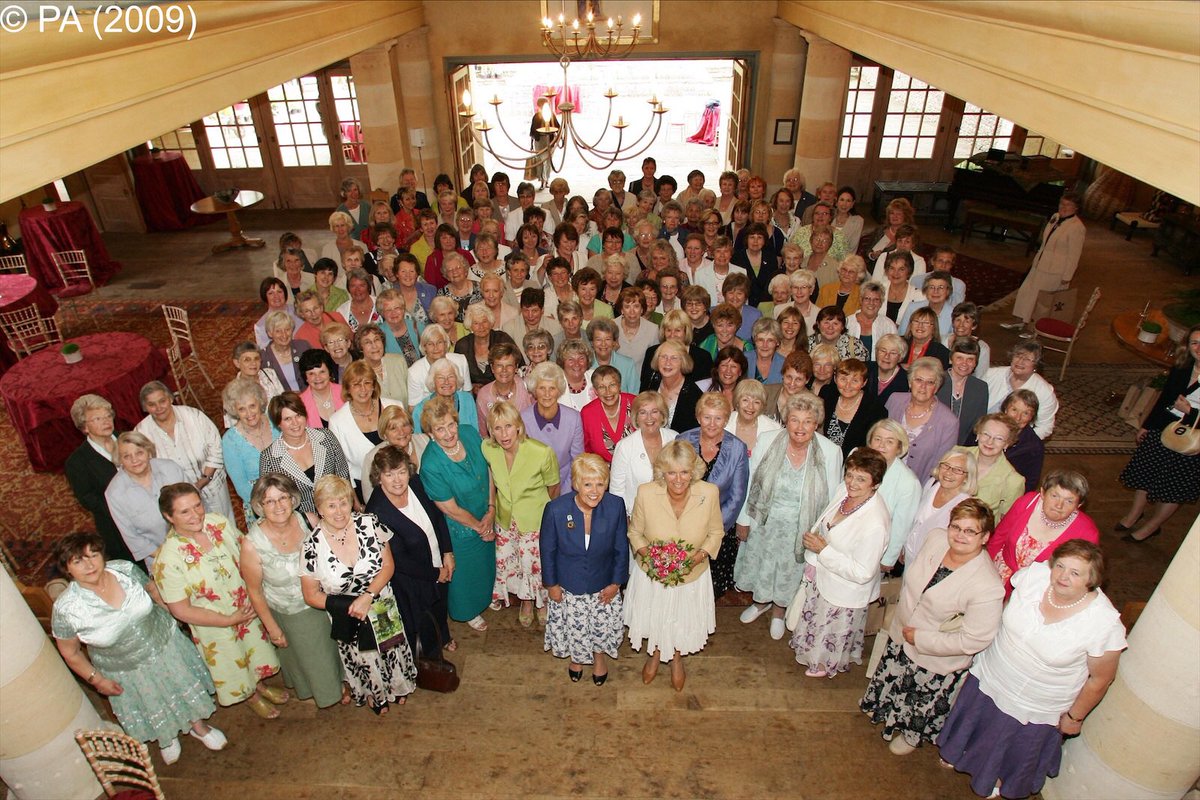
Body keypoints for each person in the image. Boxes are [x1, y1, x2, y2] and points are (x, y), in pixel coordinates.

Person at [937, 541, 1126, 800]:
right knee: (975, 724)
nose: (1062, 576)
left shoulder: (1103, 624)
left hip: (1035, 704)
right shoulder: (1034, 577)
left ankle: (997, 777)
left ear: (1092, 581)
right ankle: (960, 752)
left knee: (1009, 746)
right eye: (1060, 566)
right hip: (993, 674)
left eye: (1075, 573)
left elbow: (1101, 679)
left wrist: (1075, 717)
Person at [51, 532, 223, 765]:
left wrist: (175, 614)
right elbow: (70, 652)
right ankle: (167, 736)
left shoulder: (124, 570)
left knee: (180, 685)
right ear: (67, 568)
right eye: (78, 560)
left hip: (164, 643)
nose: (89, 564)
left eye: (94, 555)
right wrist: (96, 679)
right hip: (125, 668)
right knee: (152, 702)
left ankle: (198, 726)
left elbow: (152, 590)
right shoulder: (66, 609)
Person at [860, 499, 1004, 755]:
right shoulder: (936, 539)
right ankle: (883, 709)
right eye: (956, 527)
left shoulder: (987, 585)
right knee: (894, 680)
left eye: (970, 531)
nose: (960, 535)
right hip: (902, 635)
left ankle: (909, 734)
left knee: (916, 700)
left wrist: (921, 638)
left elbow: (975, 640)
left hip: (934, 658)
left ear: (985, 537)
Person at [154, 483, 283, 719]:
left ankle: (260, 685)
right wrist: (228, 620)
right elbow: (181, 610)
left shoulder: (217, 522)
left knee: (254, 652)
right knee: (232, 661)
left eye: (197, 505)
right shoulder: (167, 559)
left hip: (246, 608)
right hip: (214, 624)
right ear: (168, 516)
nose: (196, 515)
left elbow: (245, 550)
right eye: (185, 512)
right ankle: (251, 696)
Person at [300, 474, 417, 714]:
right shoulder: (311, 546)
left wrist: (367, 596)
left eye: (343, 503)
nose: (339, 511)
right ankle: (375, 694)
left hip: (380, 603)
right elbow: (311, 595)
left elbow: (388, 566)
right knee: (364, 658)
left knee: (390, 649)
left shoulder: (369, 523)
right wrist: (350, 606)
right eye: (331, 505)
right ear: (319, 509)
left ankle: (397, 686)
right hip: (347, 614)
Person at [736, 393, 844, 639]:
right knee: (761, 565)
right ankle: (761, 603)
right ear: (786, 420)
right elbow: (750, 483)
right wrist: (743, 520)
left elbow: (831, 501)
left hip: (802, 528)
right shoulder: (767, 440)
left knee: (789, 571)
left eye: (807, 421)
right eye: (795, 420)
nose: (800, 427)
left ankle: (779, 611)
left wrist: (823, 535)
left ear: (816, 423)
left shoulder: (830, 451)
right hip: (764, 521)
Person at [626, 440, 725, 691]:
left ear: (693, 471)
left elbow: (715, 533)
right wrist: (652, 557)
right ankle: (656, 653)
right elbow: (635, 533)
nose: (678, 479)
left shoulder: (709, 492)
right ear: (662, 473)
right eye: (671, 472)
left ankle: (677, 657)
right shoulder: (646, 492)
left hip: (692, 573)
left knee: (681, 617)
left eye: (684, 472)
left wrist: (698, 557)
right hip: (652, 572)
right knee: (657, 614)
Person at [241, 474, 346, 709]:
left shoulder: (307, 520)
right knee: (314, 660)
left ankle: (341, 681)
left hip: (325, 601)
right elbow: (255, 591)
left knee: (333, 650)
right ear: (259, 505)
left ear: (293, 499)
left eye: (283, 498)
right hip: (293, 612)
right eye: (269, 501)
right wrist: (273, 629)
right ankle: (329, 694)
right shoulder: (252, 544)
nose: (278, 506)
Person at [788, 447, 891, 678]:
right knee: (816, 621)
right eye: (850, 475)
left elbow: (863, 572)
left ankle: (825, 664)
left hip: (845, 591)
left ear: (875, 484)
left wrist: (823, 550)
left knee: (831, 631)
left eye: (861, 479)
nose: (852, 483)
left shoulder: (875, 523)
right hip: (824, 578)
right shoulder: (844, 492)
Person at [540, 453, 629, 685]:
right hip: (569, 585)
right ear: (576, 484)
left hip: (603, 585)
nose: (594, 491)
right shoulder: (556, 509)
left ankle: (599, 658)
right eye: (587, 484)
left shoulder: (615, 506)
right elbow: (547, 550)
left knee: (600, 627)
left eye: (600, 484)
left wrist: (616, 584)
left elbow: (621, 548)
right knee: (575, 627)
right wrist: (552, 585)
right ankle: (577, 659)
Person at [365, 446, 456, 658]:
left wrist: (447, 552)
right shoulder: (376, 512)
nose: (397, 480)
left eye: (401, 472)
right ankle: (432, 659)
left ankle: (443, 635)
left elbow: (438, 516)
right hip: (410, 579)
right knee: (422, 618)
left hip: (437, 561)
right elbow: (400, 560)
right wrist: (436, 574)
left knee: (440, 606)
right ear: (379, 478)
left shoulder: (416, 484)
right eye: (389, 474)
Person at [419, 396, 496, 632]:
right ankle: (468, 610)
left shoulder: (470, 433)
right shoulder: (431, 463)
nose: (449, 433)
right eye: (440, 429)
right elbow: (448, 508)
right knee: (466, 574)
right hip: (459, 527)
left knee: (486, 565)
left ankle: (485, 596)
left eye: (451, 424)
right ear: (430, 433)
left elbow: (489, 470)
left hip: (485, 514)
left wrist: (492, 509)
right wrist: (480, 526)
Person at [1117, 323, 1200, 542]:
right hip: (1164, 428)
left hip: (1192, 440)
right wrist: (1147, 424)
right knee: (1146, 473)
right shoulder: (1183, 366)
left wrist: (1190, 412)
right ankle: (1134, 514)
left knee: (1173, 487)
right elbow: (1165, 398)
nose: (1199, 348)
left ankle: (1152, 526)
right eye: (1194, 343)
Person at [482, 400, 560, 627]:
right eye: (497, 428)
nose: (504, 433)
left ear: (518, 426)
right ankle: (526, 602)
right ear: (491, 431)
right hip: (505, 521)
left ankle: (541, 602)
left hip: (534, 520)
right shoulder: (488, 448)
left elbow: (553, 488)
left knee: (534, 564)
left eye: (508, 426)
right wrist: (492, 507)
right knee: (514, 564)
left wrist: (547, 519)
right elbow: (491, 480)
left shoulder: (541, 452)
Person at [677, 393, 749, 599]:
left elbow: (737, 496)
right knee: (683, 581)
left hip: (719, 529)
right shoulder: (682, 440)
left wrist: (712, 529)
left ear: (726, 420)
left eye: (718, 418)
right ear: (698, 417)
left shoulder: (737, 448)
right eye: (707, 417)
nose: (712, 423)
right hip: (682, 524)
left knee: (711, 588)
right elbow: (671, 483)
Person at [988, 469, 1100, 596]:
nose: (1059, 505)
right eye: (1054, 496)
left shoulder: (1086, 533)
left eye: (1069, 501)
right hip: (999, 576)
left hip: (1039, 590)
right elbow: (998, 537)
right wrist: (985, 568)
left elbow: (1081, 576)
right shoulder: (1026, 503)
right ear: (1042, 493)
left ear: (1078, 505)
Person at [135, 381, 235, 521]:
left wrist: (204, 480)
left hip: (211, 486)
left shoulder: (194, 416)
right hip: (178, 500)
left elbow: (216, 447)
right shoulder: (142, 433)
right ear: (145, 407)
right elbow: (145, 469)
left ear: (170, 398)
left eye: (162, 401)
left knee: (224, 523)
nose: (159, 408)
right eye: (152, 404)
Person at [1002, 193, 1086, 335]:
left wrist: (1067, 276)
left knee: (1042, 300)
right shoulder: (1056, 217)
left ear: (1076, 208)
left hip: (1055, 270)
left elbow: (1074, 255)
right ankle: (1020, 320)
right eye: (1061, 203)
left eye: (1068, 205)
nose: (1063, 207)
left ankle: (1034, 328)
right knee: (1026, 292)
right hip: (1041, 263)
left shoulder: (1077, 227)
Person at [65, 394, 135, 563]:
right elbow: (88, 499)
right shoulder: (77, 462)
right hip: (117, 525)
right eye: (97, 418)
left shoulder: (128, 439)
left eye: (108, 416)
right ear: (84, 427)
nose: (106, 421)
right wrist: (122, 508)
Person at [259, 392, 353, 515]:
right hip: (300, 524)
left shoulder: (326, 437)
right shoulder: (269, 458)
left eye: (298, 415)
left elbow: (343, 476)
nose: (295, 423)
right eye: (287, 419)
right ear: (278, 424)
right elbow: (269, 501)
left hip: (337, 515)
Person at [329, 361, 403, 497]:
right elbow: (342, 466)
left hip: (401, 481)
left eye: (367, 383)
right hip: (364, 487)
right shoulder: (337, 421)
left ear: (374, 385)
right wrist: (355, 501)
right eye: (356, 384)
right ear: (347, 388)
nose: (363, 389)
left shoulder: (395, 406)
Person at [885, 357, 959, 482]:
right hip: (881, 476)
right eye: (918, 380)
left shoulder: (948, 422)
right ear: (910, 382)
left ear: (937, 388)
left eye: (930, 382)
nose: (923, 387)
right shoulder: (894, 400)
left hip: (917, 485)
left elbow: (940, 466)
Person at [903, 447, 978, 566]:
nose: (948, 473)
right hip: (911, 554)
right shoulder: (932, 484)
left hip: (933, 564)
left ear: (967, 477)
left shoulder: (966, 506)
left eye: (958, 470)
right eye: (946, 466)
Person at [609, 391, 680, 516]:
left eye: (654, 411)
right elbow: (617, 490)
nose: (649, 418)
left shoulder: (675, 438)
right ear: (636, 417)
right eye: (643, 412)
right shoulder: (625, 446)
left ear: (662, 415)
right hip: (637, 516)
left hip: (673, 513)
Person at [868, 420, 922, 573]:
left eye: (889, 441)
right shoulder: (856, 457)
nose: (881, 446)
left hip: (877, 548)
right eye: (877, 439)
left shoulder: (909, 483)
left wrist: (888, 559)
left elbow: (902, 526)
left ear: (899, 447)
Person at [521, 362, 584, 489]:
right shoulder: (522, 419)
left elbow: (577, 461)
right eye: (542, 388)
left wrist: (564, 495)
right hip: (532, 487)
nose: (547, 394)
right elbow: (522, 463)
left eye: (552, 388)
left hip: (566, 484)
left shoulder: (574, 418)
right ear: (534, 391)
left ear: (559, 391)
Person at [221, 378, 278, 518]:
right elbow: (242, 487)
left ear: (260, 403)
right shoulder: (230, 441)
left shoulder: (276, 422)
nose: (249, 413)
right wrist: (271, 506)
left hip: (292, 492)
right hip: (259, 504)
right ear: (234, 411)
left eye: (252, 406)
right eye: (242, 409)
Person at [983, 341, 1060, 440]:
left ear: (1036, 366)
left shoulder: (1044, 392)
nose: (1020, 361)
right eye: (1018, 356)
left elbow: (1045, 427)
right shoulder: (991, 374)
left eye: (1027, 359)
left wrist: (1020, 442)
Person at [819, 357, 888, 456]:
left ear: (864, 383)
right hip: (824, 458)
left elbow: (872, 449)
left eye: (855, 381)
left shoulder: (876, 411)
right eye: (843, 379)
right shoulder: (826, 395)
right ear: (835, 379)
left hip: (855, 465)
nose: (848, 385)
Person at [360, 405, 429, 503]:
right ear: (384, 434)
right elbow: (370, 498)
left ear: (412, 427)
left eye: (405, 425)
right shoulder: (372, 458)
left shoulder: (425, 441)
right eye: (393, 428)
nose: (401, 432)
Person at [966, 414, 1025, 521]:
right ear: (978, 435)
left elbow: (1007, 521)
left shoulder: (1013, 481)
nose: (990, 442)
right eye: (986, 434)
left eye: (999, 438)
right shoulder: (957, 455)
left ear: (1007, 444)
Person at [937, 338, 988, 445]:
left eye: (970, 359)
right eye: (959, 358)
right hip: (933, 442)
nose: (964, 363)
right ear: (951, 360)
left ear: (975, 363)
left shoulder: (981, 388)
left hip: (963, 446)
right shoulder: (936, 381)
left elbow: (979, 424)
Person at [408, 324, 471, 407]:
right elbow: (413, 407)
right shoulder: (414, 372)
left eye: (439, 342)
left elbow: (468, 393)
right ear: (424, 347)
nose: (435, 348)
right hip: (430, 414)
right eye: (430, 344)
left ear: (445, 344)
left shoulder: (460, 361)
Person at [411, 357, 479, 435]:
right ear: (433, 382)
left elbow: (475, 433)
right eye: (441, 378)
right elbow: (419, 442)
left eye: (451, 377)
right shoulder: (420, 410)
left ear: (457, 380)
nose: (446, 382)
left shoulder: (467, 399)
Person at [580, 365, 634, 462]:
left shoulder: (635, 403)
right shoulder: (587, 413)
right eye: (601, 387)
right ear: (595, 391)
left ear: (619, 386)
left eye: (612, 385)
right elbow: (585, 449)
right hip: (603, 473)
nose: (608, 392)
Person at [1001, 389, 1045, 493]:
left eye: (1025, 413)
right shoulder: (986, 428)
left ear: (1031, 417)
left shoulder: (1034, 446)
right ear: (1005, 409)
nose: (1018, 418)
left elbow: (1030, 483)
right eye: (1014, 410)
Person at [355, 323, 409, 406]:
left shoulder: (398, 361)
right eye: (367, 342)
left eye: (377, 340)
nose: (374, 346)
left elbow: (412, 397)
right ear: (360, 347)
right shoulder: (357, 372)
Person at [727, 378, 782, 457]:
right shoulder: (724, 423)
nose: (750, 406)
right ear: (737, 402)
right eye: (745, 400)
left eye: (756, 402)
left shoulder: (774, 428)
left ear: (762, 406)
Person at [259, 310, 312, 392]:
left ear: (292, 330)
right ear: (270, 333)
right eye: (278, 331)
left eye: (287, 329)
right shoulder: (263, 357)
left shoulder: (303, 347)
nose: (284, 335)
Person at [846, 281, 898, 360]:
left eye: (876, 299)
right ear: (861, 300)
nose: (871, 303)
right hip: (851, 370)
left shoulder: (888, 325)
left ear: (881, 303)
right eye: (867, 298)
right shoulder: (847, 322)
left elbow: (895, 351)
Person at [747, 317, 785, 383]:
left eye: (770, 340)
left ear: (777, 342)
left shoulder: (785, 364)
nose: (765, 345)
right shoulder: (743, 359)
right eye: (760, 340)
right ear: (754, 341)